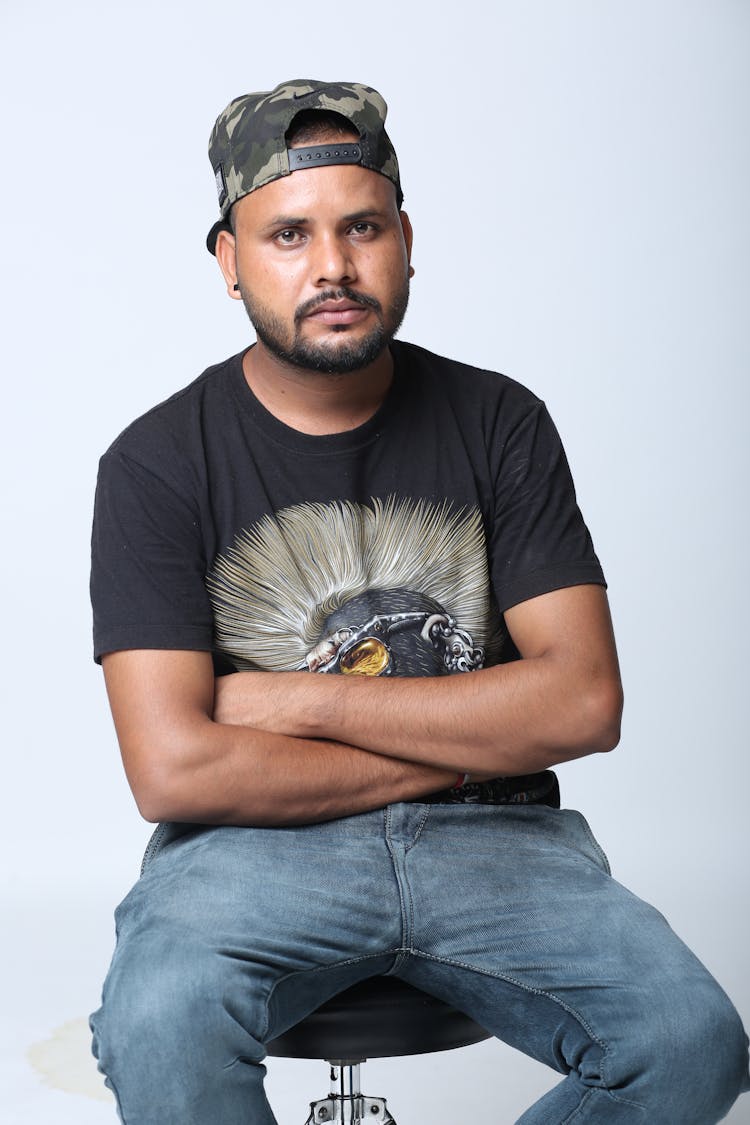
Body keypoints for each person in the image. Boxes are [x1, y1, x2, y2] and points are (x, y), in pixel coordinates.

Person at [89, 79, 748, 1124]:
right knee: (159, 1024)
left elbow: (583, 708)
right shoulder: (157, 463)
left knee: (691, 1043)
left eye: (362, 227)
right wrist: (486, 721)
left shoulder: (500, 421)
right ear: (229, 262)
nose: (333, 267)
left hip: (501, 848)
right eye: (288, 236)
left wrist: (295, 705)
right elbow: (172, 768)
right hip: (252, 862)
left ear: (405, 238)